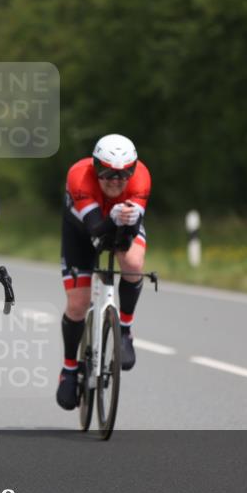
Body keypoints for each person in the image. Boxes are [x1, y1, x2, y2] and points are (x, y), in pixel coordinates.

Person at [57, 134, 151, 410]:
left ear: (134, 170)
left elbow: (127, 235)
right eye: (107, 172)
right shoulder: (79, 175)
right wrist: (113, 218)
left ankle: (124, 330)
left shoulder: (142, 177)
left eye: (124, 174)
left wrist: (130, 222)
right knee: (78, 303)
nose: (115, 180)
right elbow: (96, 231)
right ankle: (69, 368)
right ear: (95, 167)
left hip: (120, 221)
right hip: (82, 230)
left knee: (133, 264)